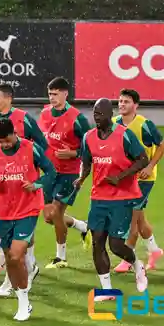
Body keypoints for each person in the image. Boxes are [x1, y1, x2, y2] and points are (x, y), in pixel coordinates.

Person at [75, 98, 149, 301]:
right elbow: (87, 163)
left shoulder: (124, 135)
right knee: (97, 242)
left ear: (110, 114)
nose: (96, 117)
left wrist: (120, 177)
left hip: (122, 197)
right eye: (94, 114)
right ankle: (107, 291)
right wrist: (81, 178)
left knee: (116, 245)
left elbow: (143, 159)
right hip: (98, 198)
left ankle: (136, 264)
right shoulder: (88, 137)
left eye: (100, 114)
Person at [0, 118, 55, 322]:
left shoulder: (30, 149)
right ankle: (21, 296)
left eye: (7, 140)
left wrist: (37, 184)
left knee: (16, 255)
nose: (5, 145)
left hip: (28, 209)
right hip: (5, 211)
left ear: (14, 133)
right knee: (9, 259)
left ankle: (24, 303)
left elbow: (51, 171)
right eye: (1, 142)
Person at [0, 84, 50, 276]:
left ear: (8, 99)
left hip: (22, 182)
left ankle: (26, 261)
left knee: (23, 224)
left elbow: (42, 144)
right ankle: (10, 256)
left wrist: (27, 163)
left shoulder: (23, 118)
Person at [36, 77, 92, 269]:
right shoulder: (44, 114)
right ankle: (82, 226)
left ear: (65, 94)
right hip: (49, 172)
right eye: (50, 94)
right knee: (49, 217)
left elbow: (91, 147)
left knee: (56, 212)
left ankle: (61, 257)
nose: (52, 97)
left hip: (69, 173)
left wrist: (73, 153)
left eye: (56, 94)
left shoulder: (78, 119)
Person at [114, 88, 164, 273]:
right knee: (139, 218)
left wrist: (150, 166)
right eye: (120, 101)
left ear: (136, 105)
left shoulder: (144, 125)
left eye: (126, 102)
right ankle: (154, 249)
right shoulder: (114, 123)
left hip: (144, 179)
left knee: (131, 219)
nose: (121, 105)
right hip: (125, 179)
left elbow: (162, 145)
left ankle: (128, 259)